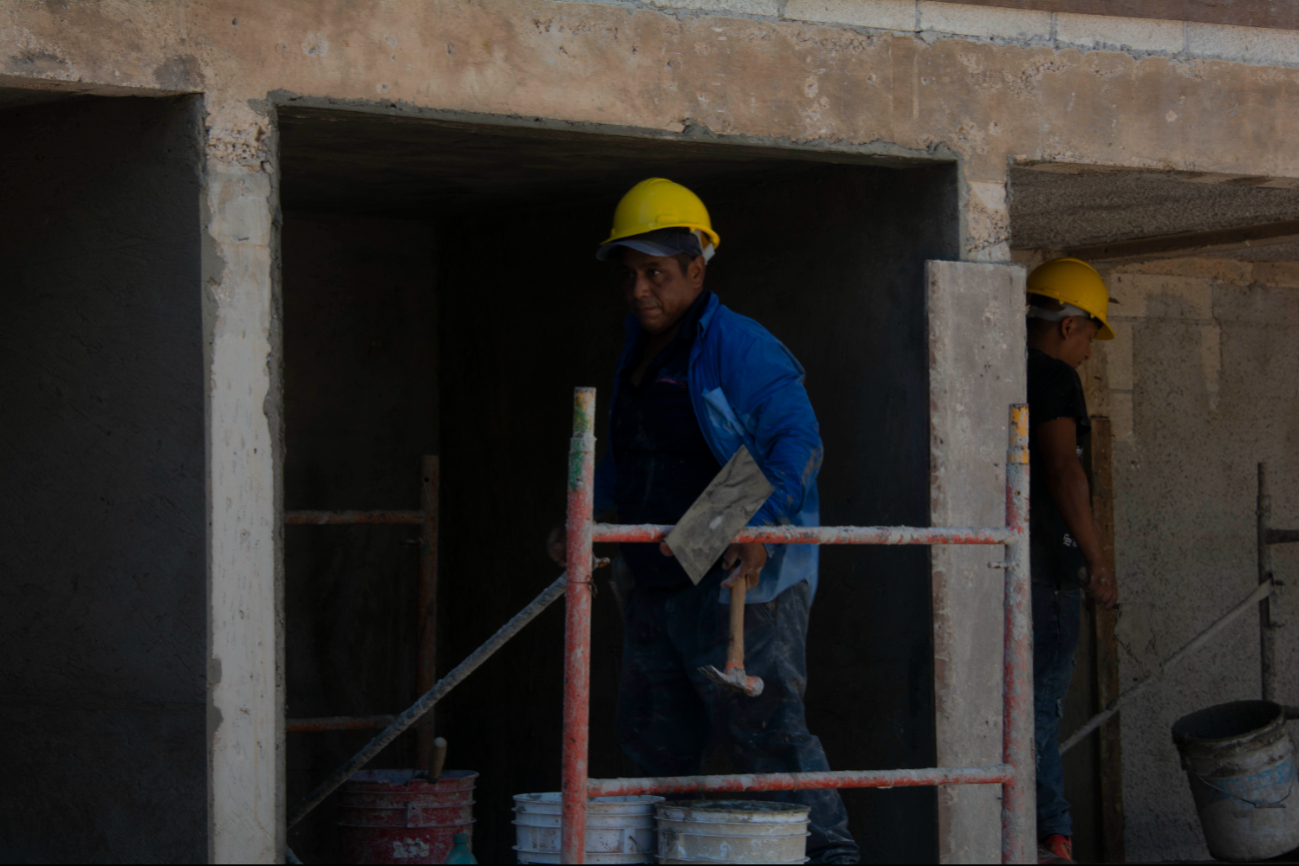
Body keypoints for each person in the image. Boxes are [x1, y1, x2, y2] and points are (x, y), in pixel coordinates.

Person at [549, 178, 858, 864]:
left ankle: (830, 855)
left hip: (724, 550)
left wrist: (755, 520)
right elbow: (626, 446)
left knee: (765, 732)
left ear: (697, 266)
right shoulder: (638, 346)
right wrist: (589, 519)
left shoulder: (739, 345)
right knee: (655, 736)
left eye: (655, 274)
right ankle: (679, 852)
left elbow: (797, 442)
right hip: (651, 556)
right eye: (629, 277)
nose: (638, 291)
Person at [1024, 257, 1120, 865]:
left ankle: (1027, 828)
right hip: (1047, 567)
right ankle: (1049, 835)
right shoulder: (1055, 377)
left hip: (1000, 566)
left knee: (1009, 703)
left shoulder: (993, 362)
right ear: (1067, 326)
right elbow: (1063, 470)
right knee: (1039, 706)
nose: (1088, 350)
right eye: (1090, 335)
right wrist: (1097, 560)